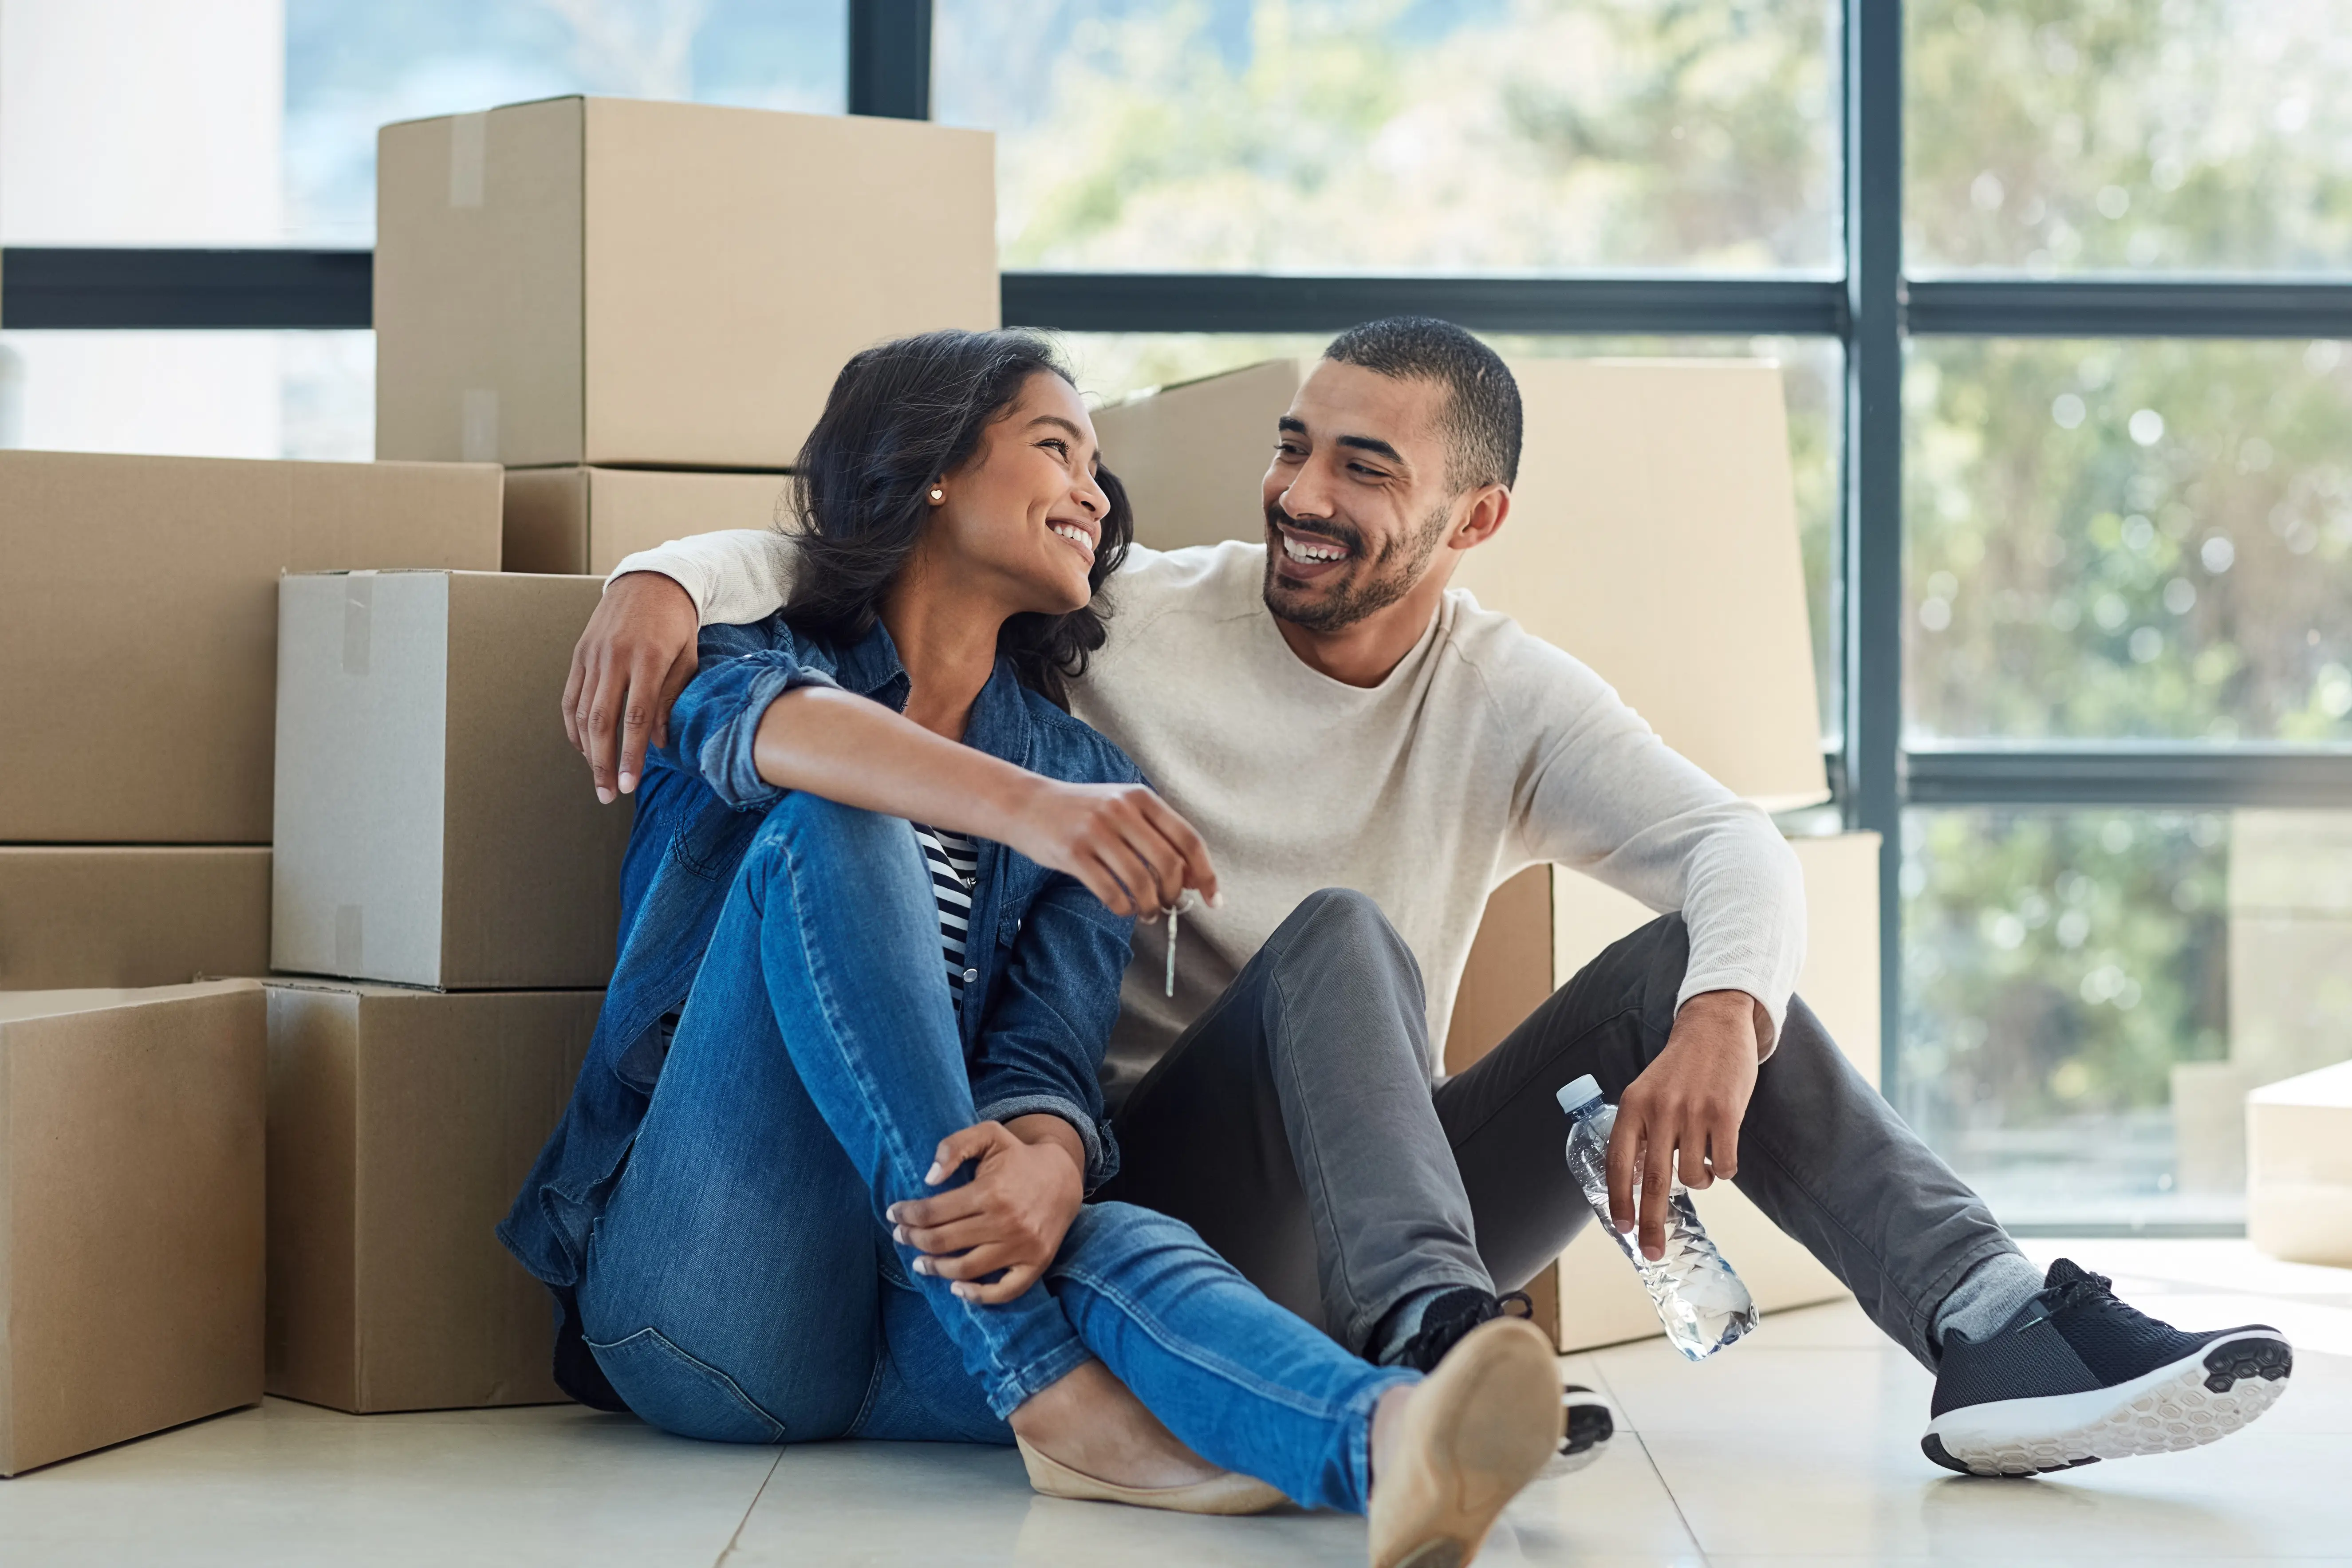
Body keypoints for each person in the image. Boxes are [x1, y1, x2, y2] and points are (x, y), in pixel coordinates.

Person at [562, 317, 2294, 1480]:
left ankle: (1986, 1325)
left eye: (1364, 472)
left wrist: (1717, 1017)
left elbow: (1730, 847)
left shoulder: (1505, 694)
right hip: (1139, 1186)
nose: (1303, 497)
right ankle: (1439, 1347)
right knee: (1340, 941)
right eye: (1295, 449)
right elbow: (857, 569)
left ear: (1475, 516)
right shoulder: (1134, 616)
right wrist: (658, 573)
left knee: (1693, 963)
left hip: (1368, 1193)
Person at [502, 328, 1568, 1566]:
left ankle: (1388, 1440)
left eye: (1098, 465)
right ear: (935, 468)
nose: (1093, 492)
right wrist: (1029, 813)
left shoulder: (1081, 772)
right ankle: (1044, 1390)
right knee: (838, 822)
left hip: (914, 1324)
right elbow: (776, 740)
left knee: (1116, 1231)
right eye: (1057, 447)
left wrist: (1054, 1158)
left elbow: (1046, 1049)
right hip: (710, 1304)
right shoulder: (756, 654)